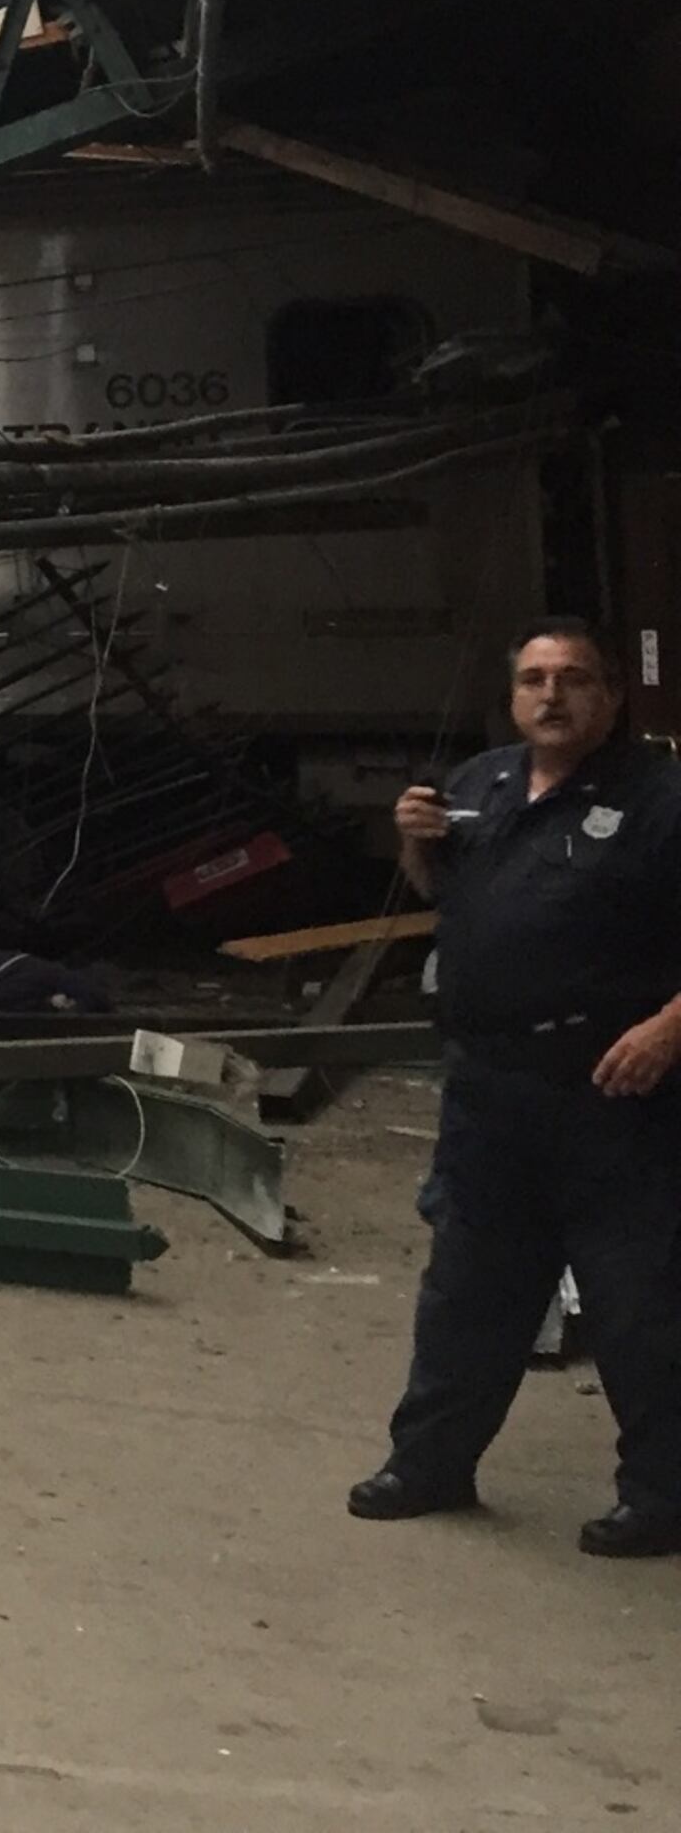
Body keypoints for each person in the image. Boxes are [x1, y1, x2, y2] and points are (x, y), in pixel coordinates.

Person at [350, 620, 681, 1556]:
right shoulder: (482, 784)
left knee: (637, 1302)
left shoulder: (660, 800)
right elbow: (452, 899)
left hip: (613, 1096)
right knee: (468, 1289)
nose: (551, 695)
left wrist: (668, 1029)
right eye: (534, 679)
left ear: (612, 697)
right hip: (492, 1091)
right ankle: (429, 1466)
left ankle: (661, 1495)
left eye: (573, 679)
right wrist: (416, 845)